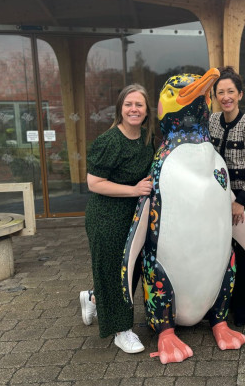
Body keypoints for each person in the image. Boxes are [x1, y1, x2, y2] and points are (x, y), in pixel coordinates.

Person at [79, 84, 155, 353]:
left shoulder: (147, 139)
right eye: (128, 104)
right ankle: (121, 331)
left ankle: (93, 298)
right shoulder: (108, 141)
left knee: (129, 271)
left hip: (133, 216)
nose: (133, 109)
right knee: (114, 272)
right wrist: (134, 190)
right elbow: (94, 183)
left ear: (147, 111)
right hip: (106, 216)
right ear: (120, 109)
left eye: (139, 105)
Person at [209, 66, 245, 327]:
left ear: (240, 94)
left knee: (243, 251)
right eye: (221, 92)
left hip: (244, 197)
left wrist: (240, 201)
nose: (226, 96)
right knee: (222, 250)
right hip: (219, 198)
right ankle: (226, 301)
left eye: (230, 91)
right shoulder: (212, 121)